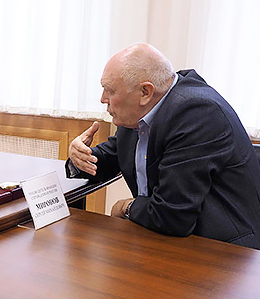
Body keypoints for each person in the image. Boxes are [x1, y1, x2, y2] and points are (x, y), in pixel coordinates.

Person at [67, 43, 260, 249]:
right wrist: (79, 157)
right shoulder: (143, 112)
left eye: (110, 90)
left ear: (145, 92)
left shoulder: (195, 112)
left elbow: (172, 215)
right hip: (164, 237)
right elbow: (108, 158)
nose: (102, 99)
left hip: (222, 251)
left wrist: (126, 207)